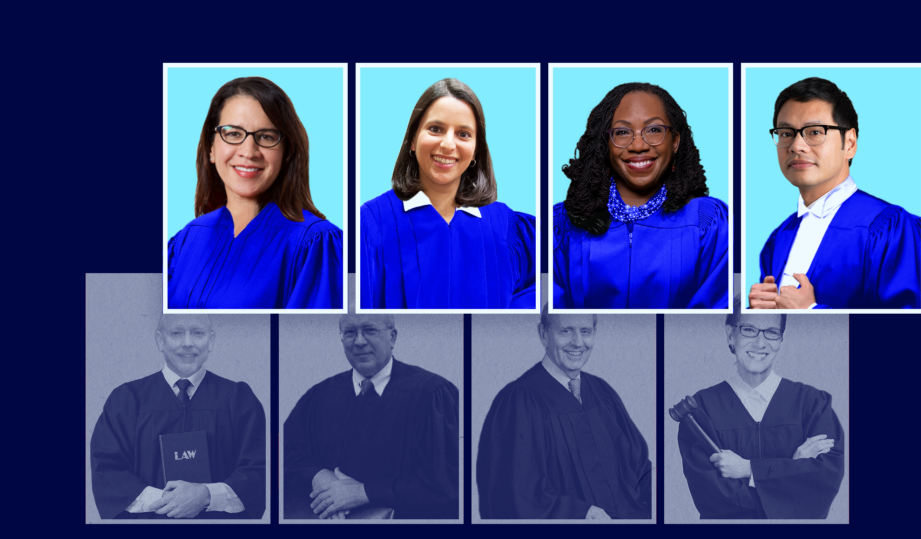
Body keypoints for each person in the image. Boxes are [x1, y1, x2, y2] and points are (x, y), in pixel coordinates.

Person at [168, 77, 344, 309]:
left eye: (266, 137)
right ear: (211, 148)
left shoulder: (313, 244)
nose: (249, 152)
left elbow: (307, 341)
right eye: (232, 134)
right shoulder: (186, 240)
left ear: (287, 152)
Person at [360, 78, 536, 309]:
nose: (448, 144)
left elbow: (546, 289)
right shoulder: (373, 222)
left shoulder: (505, 226)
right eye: (435, 129)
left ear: (475, 151)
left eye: (463, 134)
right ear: (412, 140)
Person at [750, 77, 921, 309]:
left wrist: (811, 311)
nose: (796, 146)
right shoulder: (779, 238)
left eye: (815, 132)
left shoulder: (891, 227)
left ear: (849, 143)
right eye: (786, 133)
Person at [553, 82, 728, 309]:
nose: (638, 145)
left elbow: (714, 318)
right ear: (605, 144)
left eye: (654, 130)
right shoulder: (564, 224)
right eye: (622, 132)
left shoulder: (708, 222)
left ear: (675, 141)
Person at [477, 309, 651, 519]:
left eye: (585, 331)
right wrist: (580, 514)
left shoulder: (601, 392)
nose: (578, 342)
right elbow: (513, 494)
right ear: (544, 334)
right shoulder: (519, 401)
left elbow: (639, 465)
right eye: (566, 331)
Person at [90, 314, 267, 519]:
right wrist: (170, 501)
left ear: (210, 341)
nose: (187, 343)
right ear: (160, 340)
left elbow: (260, 471)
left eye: (198, 333)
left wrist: (206, 496)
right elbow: (107, 473)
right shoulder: (127, 400)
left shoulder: (239, 400)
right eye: (176, 333)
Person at [283, 314, 459, 519]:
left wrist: (364, 492)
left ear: (392, 337)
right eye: (350, 333)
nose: (359, 341)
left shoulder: (430, 394)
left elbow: (446, 485)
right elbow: (284, 453)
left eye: (370, 330)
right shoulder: (320, 394)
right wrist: (316, 475)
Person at [674, 308, 844, 519]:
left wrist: (749, 469)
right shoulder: (702, 410)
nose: (760, 343)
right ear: (730, 335)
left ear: (781, 339)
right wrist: (793, 469)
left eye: (772, 332)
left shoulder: (813, 405)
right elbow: (714, 500)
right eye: (749, 330)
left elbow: (823, 484)